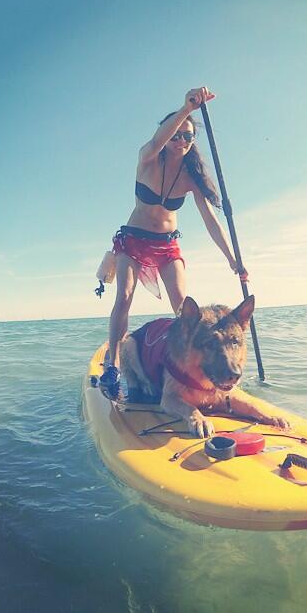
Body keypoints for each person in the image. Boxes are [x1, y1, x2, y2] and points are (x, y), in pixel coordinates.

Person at [96, 87, 247, 398]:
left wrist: (233, 260)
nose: (181, 141)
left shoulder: (191, 178)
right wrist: (186, 109)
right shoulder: (148, 159)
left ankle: (190, 373)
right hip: (133, 241)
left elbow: (211, 222)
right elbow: (156, 140)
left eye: (188, 137)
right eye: (176, 134)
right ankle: (112, 365)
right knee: (123, 296)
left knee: (185, 311)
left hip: (167, 245)